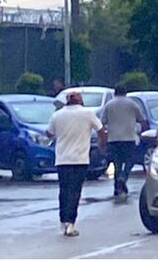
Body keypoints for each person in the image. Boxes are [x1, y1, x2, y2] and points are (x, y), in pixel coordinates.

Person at [47, 92, 102, 236]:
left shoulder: (57, 115)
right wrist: (102, 145)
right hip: (80, 159)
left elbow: (48, 133)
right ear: (80, 101)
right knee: (75, 191)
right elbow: (101, 130)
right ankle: (71, 223)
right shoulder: (87, 113)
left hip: (62, 159)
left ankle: (63, 221)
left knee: (64, 190)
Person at [98, 84, 145, 199]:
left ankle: (117, 187)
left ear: (115, 93)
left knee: (117, 163)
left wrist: (103, 138)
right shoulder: (132, 104)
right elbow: (141, 119)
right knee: (130, 161)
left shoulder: (109, 105)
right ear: (125, 93)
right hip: (129, 138)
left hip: (113, 139)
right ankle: (123, 178)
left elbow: (102, 122)